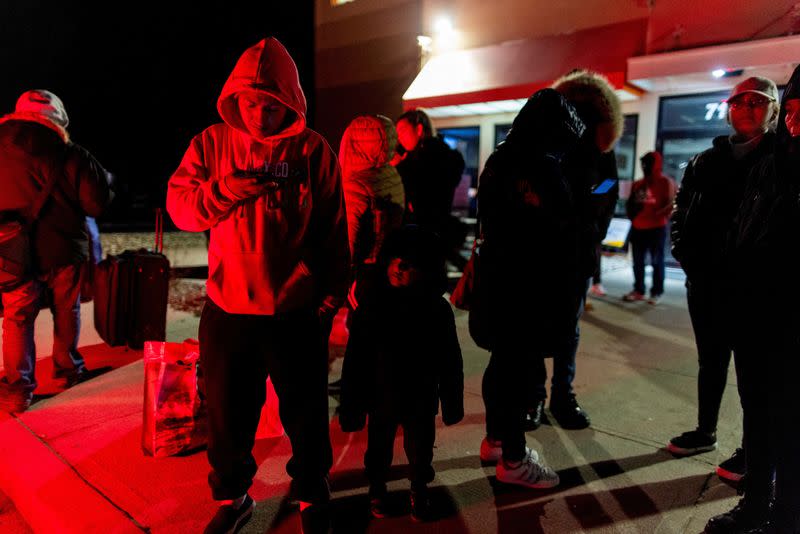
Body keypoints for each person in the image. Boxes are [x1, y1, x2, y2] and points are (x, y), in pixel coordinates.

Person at [166, 38, 349, 534]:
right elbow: (181, 208)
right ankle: (234, 496)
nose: (260, 117)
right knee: (228, 416)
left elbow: (334, 226)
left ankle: (313, 493)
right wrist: (223, 190)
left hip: (295, 311)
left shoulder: (312, 150)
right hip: (228, 309)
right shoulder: (210, 143)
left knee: (306, 412)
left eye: (272, 106)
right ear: (235, 99)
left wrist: (332, 291)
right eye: (251, 104)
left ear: (289, 102)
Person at [704, 65, 800, 534]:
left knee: (788, 426)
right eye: (796, 109)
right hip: (753, 314)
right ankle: (755, 504)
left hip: (788, 323)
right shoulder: (773, 160)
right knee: (758, 417)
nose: (797, 119)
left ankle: (784, 516)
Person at [668, 77, 779, 484]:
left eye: (757, 101)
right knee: (710, 361)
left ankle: (754, 451)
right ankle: (705, 431)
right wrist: (685, 256)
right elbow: (681, 215)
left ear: (772, 110)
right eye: (738, 102)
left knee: (755, 374)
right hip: (706, 283)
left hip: (755, 290)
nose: (746, 108)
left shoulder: (780, 159)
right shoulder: (704, 160)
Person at [476, 88, 587, 489]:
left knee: (501, 367)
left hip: (499, 283)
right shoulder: (538, 166)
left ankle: (496, 441)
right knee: (517, 375)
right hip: (527, 289)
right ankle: (514, 459)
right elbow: (557, 233)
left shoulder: (501, 158)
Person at [338, 225, 463, 522]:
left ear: (428, 270)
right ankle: (377, 488)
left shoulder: (436, 311)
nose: (400, 266)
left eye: (410, 262)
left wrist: (452, 401)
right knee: (378, 449)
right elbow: (355, 361)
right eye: (395, 259)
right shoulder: (372, 306)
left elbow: (450, 360)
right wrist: (351, 406)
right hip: (380, 395)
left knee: (420, 450)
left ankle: (419, 488)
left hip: (420, 396)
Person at [0, 89, 113, 413]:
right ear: (58, 120)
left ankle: (19, 389)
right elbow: (97, 204)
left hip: (12, 251)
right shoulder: (72, 154)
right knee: (67, 310)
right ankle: (68, 371)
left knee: (17, 317)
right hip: (63, 250)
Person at [521, 70, 622, 431]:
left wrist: (589, 218)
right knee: (536, 326)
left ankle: (561, 396)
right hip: (542, 246)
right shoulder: (546, 138)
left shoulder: (598, 143)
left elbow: (609, 185)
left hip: (576, 247)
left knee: (567, 328)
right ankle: (535, 397)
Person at [394, 109, 467, 270]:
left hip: (426, 235)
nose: (399, 137)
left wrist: (398, 167)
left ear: (419, 129)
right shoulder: (438, 156)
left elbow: (423, 193)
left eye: (403, 130)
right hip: (432, 233)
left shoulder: (429, 161)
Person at [623, 151, 676, 305]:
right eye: (644, 163)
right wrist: (632, 216)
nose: (645, 166)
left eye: (648, 163)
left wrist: (659, 214)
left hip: (656, 228)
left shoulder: (666, 182)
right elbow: (631, 203)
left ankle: (656, 291)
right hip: (638, 227)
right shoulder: (638, 183)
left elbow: (671, 204)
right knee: (638, 261)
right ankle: (639, 290)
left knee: (656, 261)